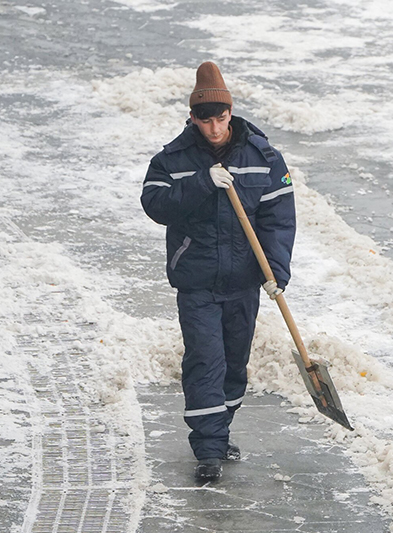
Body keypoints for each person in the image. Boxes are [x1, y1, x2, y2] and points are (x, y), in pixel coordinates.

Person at [141, 62, 296, 483]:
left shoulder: (263, 157)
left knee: (233, 365)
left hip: (245, 281)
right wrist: (202, 183)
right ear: (192, 117)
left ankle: (220, 429)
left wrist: (275, 270)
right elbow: (155, 205)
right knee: (205, 361)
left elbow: (279, 219)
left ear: (231, 114)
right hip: (197, 281)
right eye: (205, 120)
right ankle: (208, 448)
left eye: (220, 118)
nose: (213, 128)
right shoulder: (172, 159)